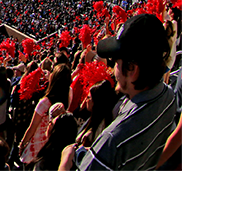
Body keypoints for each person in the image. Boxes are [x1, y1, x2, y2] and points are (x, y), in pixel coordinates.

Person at [61, 13, 178, 171]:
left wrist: (64, 163)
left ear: (132, 69)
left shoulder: (111, 143)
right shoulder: (168, 96)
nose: (113, 69)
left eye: (116, 62)